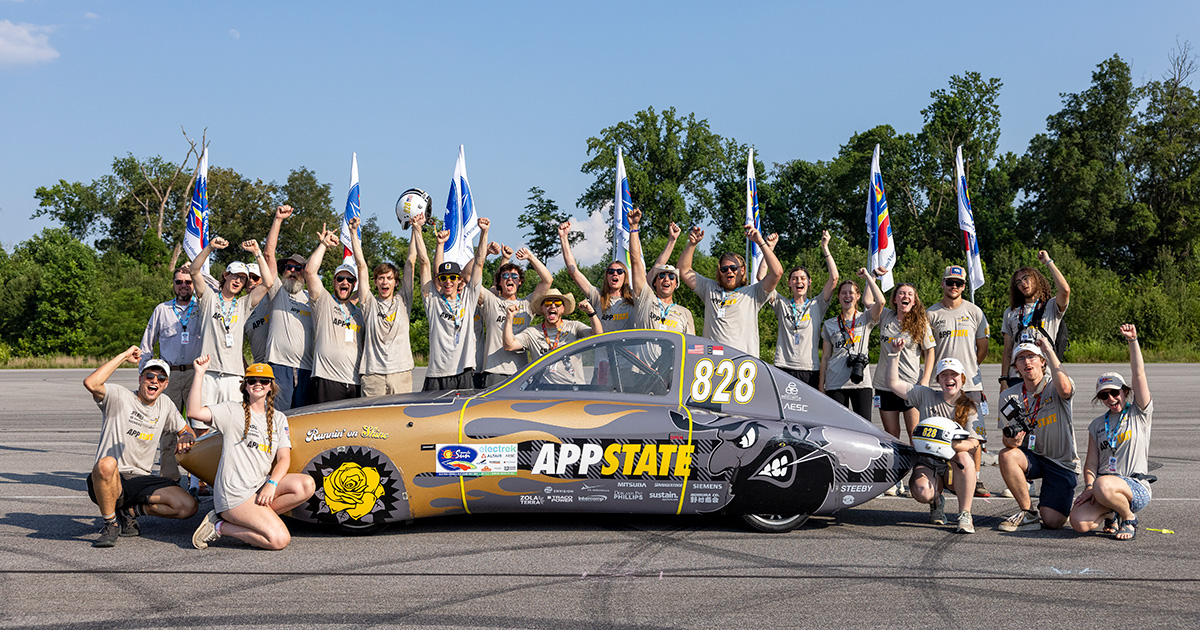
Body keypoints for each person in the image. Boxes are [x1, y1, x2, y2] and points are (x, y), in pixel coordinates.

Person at [188, 358, 315, 550]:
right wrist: (199, 373)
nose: (258, 384)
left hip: (260, 485)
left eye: (264, 381)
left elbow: (283, 459)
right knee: (279, 540)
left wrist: (272, 484)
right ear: (245, 386)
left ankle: (255, 518)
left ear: (270, 387)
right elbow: (193, 412)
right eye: (252, 380)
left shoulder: (279, 419)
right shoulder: (232, 410)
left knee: (306, 485)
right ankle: (219, 525)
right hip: (235, 494)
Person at [83, 347, 198, 547]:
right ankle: (110, 523)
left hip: (141, 480)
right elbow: (91, 383)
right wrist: (123, 356)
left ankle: (130, 512)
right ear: (140, 378)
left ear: (165, 384)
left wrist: (185, 436)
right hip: (112, 479)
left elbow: (188, 431)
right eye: (150, 376)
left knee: (188, 506)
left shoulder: (165, 404)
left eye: (161, 378)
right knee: (106, 464)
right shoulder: (119, 396)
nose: (155, 380)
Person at [886, 347, 985, 533]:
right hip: (929, 462)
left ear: (962, 378)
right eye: (944, 375)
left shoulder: (971, 406)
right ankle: (936, 500)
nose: (949, 378)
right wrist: (894, 354)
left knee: (964, 458)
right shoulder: (926, 395)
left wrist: (946, 443)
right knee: (922, 492)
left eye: (954, 374)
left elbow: (974, 442)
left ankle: (965, 514)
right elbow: (892, 383)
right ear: (938, 379)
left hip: (955, 465)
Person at [1070, 324, 1154, 540]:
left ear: (1125, 392)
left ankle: (1128, 517)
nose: (1111, 399)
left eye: (1115, 392)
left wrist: (1132, 341)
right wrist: (1089, 487)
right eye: (1104, 396)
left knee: (1103, 483)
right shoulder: (1097, 425)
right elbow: (1090, 464)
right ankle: (1111, 512)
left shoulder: (1139, 413)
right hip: (1102, 488)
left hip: (1134, 487)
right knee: (1078, 522)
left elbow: (1139, 374)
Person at [997, 337, 1079, 532]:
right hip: (1033, 456)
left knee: (1052, 522)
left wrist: (1049, 351)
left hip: (1061, 461)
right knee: (1007, 455)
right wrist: (1012, 441)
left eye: (1032, 356)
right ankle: (1028, 513)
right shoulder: (1009, 396)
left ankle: (1056, 505)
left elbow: (1066, 390)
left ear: (1042, 361)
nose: (1027, 362)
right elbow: (1005, 438)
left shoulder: (1055, 385)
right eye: (1021, 358)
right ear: (1015, 366)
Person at [927, 264, 991, 497]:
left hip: (970, 385)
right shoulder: (931, 314)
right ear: (942, 283)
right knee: (939, 433)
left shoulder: (975, 311)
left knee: (974, 434)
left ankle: (975, 477)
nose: (954, 286)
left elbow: (982, 348)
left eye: (959, 283)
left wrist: (968, 372)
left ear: (964, 286)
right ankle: (939, 478)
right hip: (939, 385)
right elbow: (926, 350)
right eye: (950, 282)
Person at [190, 237, 273, 409]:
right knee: (202, 426)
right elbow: (194, 270)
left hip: (234, 375)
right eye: (234, 276)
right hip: (208, 372)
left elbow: (268, 282)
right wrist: (210, 248)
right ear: (226, 275)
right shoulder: (208, 298)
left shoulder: (243, 304)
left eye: (242, 279)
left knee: (232, 428)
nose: (238, 281)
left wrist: (257, 252)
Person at [677, 224, 783, 358]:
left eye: (734, 268)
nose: (729, 271)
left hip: (743, 366)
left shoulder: (754, 292)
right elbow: (683, 270)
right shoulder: (709, 288)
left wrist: (760, 242)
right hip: (713, 363)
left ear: (742, 270)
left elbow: (777, 272)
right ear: (720, 272)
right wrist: (692, 244)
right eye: (724, 269)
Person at [137, 263, 201, 481]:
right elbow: (147, 344)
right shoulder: (162, 310)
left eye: (188, 281)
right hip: (169, 375)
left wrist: (196, 269)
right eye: (179, 282)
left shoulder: (203, 307)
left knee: (198, 428)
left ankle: (198, 479)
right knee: (167, 430)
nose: (184, 286)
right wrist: (144, 375)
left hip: (195, 374)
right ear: (173, 285)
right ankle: (169, 479)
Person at [346, 214, 420, 396]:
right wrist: (354, 233)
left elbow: (411, 262)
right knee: (371, 424)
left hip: (400, 372)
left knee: (400, 422)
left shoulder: (403, 300)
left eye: (389, 278)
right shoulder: (368, 302)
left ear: (396, 282)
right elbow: (361, 265)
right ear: (375, 282)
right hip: (373, 375)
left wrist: (415, 229)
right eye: (381, 278)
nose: (385, 282)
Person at [759, 231, 838, 388]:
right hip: (783, 366)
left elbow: (834, 278)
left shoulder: (817, 304)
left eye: (802, 278)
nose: (798, 281)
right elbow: (761, 278)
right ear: (789, 283)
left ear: (809, 282)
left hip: (809, 369)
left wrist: (825, 247)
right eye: (794, 279)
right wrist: (769, 247)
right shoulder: (782, 304)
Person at [419, 217, 490, 391]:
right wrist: (418, 231)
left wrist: (484, 233)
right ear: (439, 281)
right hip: (436, 373)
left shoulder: (468, 297)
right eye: (444, 278)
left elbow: (479, 264)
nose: (448, 282)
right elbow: (424, 264)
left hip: (463, 372)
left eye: (453, 278)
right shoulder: (433, 300)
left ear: (459, 280)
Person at [477, 242, 554, 388]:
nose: (510, 279)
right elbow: (472, 279)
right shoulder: (491, 301)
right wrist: (485, 253)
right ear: (499, 282)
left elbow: (547, 280)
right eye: (505, 276)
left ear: (520, 282)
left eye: (514, 276)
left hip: (520, 371)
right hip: (494, 370)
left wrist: (530, 257)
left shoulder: (527, 305)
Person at [262, 205, 316, 411]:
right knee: (276, 420)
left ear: (305, 272)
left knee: (302, 424)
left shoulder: (312, 298)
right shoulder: (277, 292)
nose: (292, 271)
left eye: (298, 268)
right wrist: (278, 219)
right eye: (288, 267)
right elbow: (268, 255)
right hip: (278, 366)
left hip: (306, 369)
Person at [304, 224, 365, 403]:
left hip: (354, 381)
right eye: (340, 278)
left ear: (354, 284)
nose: (344, 282)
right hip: (326, 379)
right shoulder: (323, 302)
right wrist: (323, 245)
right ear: (334, 281)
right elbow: (310, 271)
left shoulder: (360, 313)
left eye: (349, 279)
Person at [873, 281, 936, 445]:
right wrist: (870, 277)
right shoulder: (885, 316)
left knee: (914, 433)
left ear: (914, 301)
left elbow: (930, 351)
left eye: (910, 294)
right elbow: (868, 301)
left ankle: (920, 469)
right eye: (901, 293)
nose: (905, 296)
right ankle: (896, 469)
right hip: (884, 385)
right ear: (894, 299)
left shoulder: (920, 323)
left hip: (910, 385)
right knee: (891, 434)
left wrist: (926, 379)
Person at [999, 251, 1071, 390]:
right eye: (1018, 282)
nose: (1023, 283)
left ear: (1036, 279)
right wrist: (1003, 379)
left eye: (1026, 278)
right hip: (1017, 377)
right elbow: (1007, 350)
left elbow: (1065, 291)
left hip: (1046, 375)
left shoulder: (1051, 306)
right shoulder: (1011, 312)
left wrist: (1048, 262)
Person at [558, 218, 646, 332]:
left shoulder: (634, 298)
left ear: (625, 276)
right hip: (603, 349)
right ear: (606, 276)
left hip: (628, 349)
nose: (615, 274)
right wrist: (564, 238)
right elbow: (573, 272)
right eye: (611, 271)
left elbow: (636, 262)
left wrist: (634, 228)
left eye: (619, 272)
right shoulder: (598, 296)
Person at [819, 269, 884, 420]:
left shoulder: (865, 318)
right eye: (843, 293)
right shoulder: (830, 324)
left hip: (861, 383)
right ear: (838, 296)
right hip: (835, 382)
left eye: (851, 293)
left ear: (858, 296)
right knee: (837, 426)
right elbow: (826, 357)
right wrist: (821, 385)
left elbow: (881, 302)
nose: (847, 296)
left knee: (864, 426)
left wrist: (869, 277)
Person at [503, 289, 603, 385]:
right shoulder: (532, 332)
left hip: (573, 389)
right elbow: (509, 345)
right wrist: (509, 317)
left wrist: (591, 312)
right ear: (542, 308)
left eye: (558, 303)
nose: (552, 306)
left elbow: (598, 336)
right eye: (548, 303)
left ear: (563, 308)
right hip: (543, 390)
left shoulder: (574, 327)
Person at [627, 208, 695, 334]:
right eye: (662, 275)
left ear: (676, 285)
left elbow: (691, 347)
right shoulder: (645, 299)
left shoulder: (685, 313)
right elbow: (636, 261)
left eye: (672, 277)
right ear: (654, 283)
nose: (666, 279)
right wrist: (634, 227)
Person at [243, 262, 271, 364]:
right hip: (260, 365)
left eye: (255, 277)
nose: (250, 281)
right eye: (246, 278)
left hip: (279, 363)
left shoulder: (272, 297)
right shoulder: (240, 306)